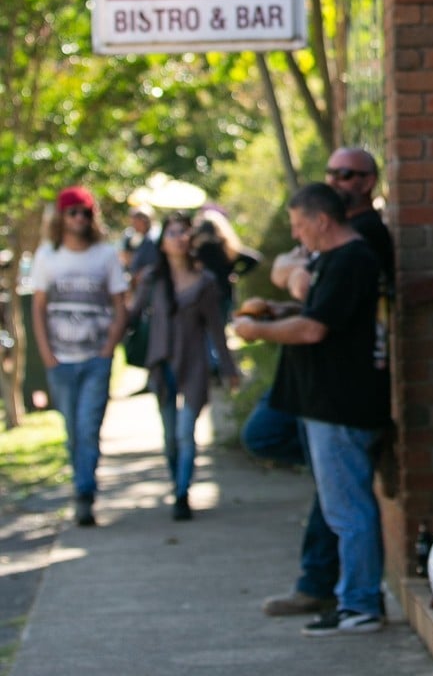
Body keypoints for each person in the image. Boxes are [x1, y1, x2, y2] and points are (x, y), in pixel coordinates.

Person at [234, 183, 391, 636]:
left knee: (348, 511)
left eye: (300, 225)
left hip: (339, 405)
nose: (296, 234)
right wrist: (277, 310)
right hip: (325, 404)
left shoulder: (352, 259)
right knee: (342, 504)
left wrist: (256, 332)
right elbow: (323, 311)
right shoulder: (330, 260)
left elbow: (313, 329)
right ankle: (353, 598)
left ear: (322, 220)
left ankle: (360, 604)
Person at [127, 212, 240, 520]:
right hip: (162, 363)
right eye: (172, 233)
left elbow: (216, 329)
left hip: (193, 364)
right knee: (169, 437)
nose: (179, 238)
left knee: (185, 433)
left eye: (183, 232)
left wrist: (229, 368)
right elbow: (132, 315)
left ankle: (181, 493)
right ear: (163, 242)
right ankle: (176, 479)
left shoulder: (204, 282)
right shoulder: (152, 279)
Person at [30, 186, 129, 527]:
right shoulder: (47, 256)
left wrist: (108, 349)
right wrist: (47, 355)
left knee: (89, 427)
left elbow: (120, 305)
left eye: (86, 213)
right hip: (60, 360)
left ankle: (85, 493)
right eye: (73, 212)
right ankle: (81, 483)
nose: (79, 219)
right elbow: (38, 307)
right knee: (72, 430)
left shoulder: (105, 255)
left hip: (95, 359)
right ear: (61, 217)